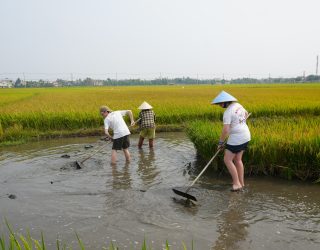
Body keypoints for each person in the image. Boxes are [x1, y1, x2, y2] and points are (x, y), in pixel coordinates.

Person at [211, 91, 251, 192]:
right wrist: (240, 122)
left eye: (220, 103)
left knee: (227, 160)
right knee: (238, 160)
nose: (219, 105)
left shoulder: (228, 112)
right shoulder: (238, 105)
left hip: (237, 138)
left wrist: (220, 143)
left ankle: (236, 184)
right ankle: (241, 183)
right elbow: (246, 114)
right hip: (245, 135)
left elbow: (225, 130)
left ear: (226, 102)